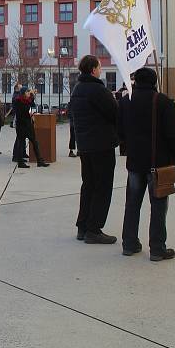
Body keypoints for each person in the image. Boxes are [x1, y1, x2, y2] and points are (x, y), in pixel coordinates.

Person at [119, 67, 175, 261]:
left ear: (136, 81)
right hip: (159, 162)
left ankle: (129, 244)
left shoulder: (125, 101)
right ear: (154, 81)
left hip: (135, 161)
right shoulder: (162, 101)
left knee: (132, 204)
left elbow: (120, 131)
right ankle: (157, 248)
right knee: (158, 206)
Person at [70, 55, 119, 245]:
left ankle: (83, 226)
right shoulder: (98, 89)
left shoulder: (77, 88)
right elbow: (114, 112)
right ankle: (94, 229)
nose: (101, 70)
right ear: (93, 70)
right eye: (99, 67)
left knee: (88, 185)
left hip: (85, 145)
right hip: (102, 145)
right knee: (102, 187)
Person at [12, 88, 49, 168]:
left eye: (29, 92)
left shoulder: (27, 100)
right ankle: (20, 162)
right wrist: (29, 115)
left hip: (28, 125)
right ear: (23, 93)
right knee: (21, 143)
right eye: (27, 92)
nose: (29, 93)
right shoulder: (18, 101)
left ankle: (40, 161)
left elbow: (32, 104)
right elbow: (22, 112)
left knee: (35, 142)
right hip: (21, 126)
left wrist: (32, 95)